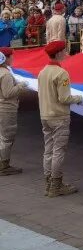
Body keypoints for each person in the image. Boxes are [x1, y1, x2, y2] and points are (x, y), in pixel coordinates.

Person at [38, 40, 83, 196]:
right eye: (64, 51)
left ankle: (48, 183)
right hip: (58, 116)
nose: (66, 53)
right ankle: (56, 185)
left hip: (45, 114)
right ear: (58, 53)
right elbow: (64, 98)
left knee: (48, 150)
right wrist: (78, 98)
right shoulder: (61, 73)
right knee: (58, 151)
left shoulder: (43, 71)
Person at [0, 47, 30, 175]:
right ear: (5, 58)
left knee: (2, 136)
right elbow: (8, 93)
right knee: (7, 136)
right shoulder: (5, 74)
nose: (13, 58)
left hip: (3, 106)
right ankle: (4, 165)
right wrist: (21, 86)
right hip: (7, 108)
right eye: (11, 56)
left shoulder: (4, 71)